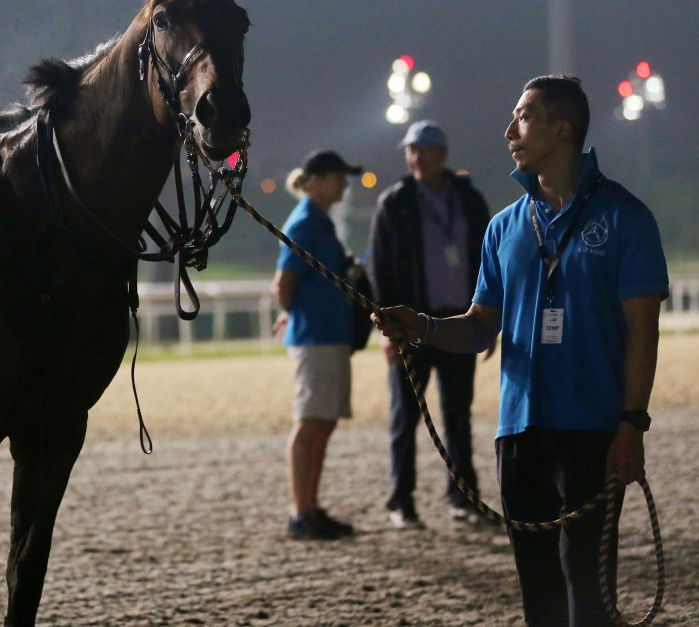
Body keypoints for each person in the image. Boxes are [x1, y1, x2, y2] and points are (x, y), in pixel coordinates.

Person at [375, 76, 668, 626]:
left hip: (596, 429)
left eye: (523, 117)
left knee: (588, 584)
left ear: (563, 128)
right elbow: (481, 328)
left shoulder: (626, 217)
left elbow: (643, 332)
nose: (509, 130)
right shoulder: (504, 227)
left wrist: (632, 423)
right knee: (539, 587)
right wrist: (422, 327)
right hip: (520, 433)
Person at [366, 120, 493, 529]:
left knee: (458, 416)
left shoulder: (469, 200)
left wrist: (487, 322)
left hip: (458, 323)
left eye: (423, 149)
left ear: (442, 153)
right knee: (406, 416)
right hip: (410, 328)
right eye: (410, 150)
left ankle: (463, 497)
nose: (416, 157)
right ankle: (400, 501)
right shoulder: (395, 202)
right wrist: (387, 328)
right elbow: (379, 270)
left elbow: (488, 262)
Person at [273, 149, 363, 541]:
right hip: (316, 337)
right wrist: (295, 314)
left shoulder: (317, 222)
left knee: (321, 423)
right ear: (317, 180)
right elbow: (284, 284)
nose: (345, 183)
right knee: (311, 423)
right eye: (338, 176)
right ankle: (300, 511)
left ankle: (309, 507)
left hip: (328, 335)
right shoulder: (306, 222)